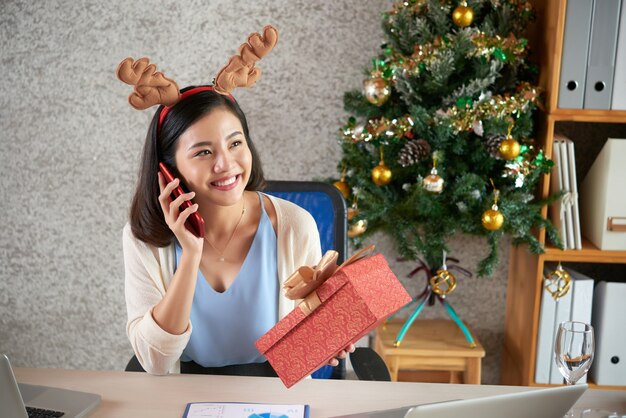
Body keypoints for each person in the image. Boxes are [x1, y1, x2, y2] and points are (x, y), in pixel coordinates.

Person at [120, 81, 355, 374]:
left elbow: (305, 336)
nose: (226, 164)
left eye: (235, 143)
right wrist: (191, 254)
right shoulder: (145, 237)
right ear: (168, 169)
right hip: (180, 395)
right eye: (203, 152)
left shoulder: (295, 225)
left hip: (272, 394)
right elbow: (155, 362)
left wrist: (326, 338)